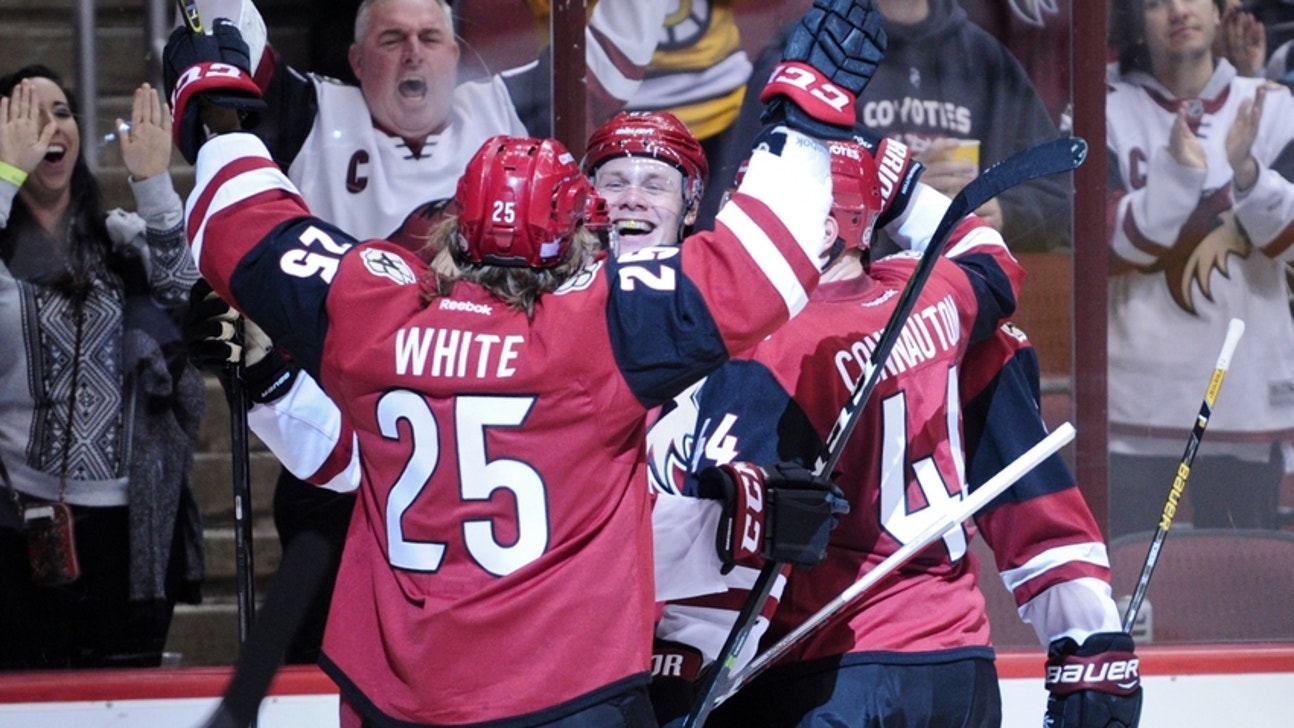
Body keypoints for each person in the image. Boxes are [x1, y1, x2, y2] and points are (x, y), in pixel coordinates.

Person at [648, 138, 1143, 727]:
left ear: (824, 230)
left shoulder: (772, 349)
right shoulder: (932, 292)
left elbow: (734, 554)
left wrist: (678, 688)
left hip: (827, 676)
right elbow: (991, 259)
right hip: (959, 670)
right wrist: (907, 196)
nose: (737, 229)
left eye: (757, 210)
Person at [0, 67, 204, 670]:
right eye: (26, 115)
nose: (49, 128)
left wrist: (154, 183)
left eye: (60, 112)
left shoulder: (119, 239)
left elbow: (192, 296)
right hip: (14, 522)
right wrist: (4, 177)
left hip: (132, 527)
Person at [1106, 0, 1294, 537]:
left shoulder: (1277, 108)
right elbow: (1102, 248)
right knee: (1128, 593)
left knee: (1235, 596)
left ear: (1220, 13)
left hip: (1248, 400)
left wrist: (1250, 174)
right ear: (1136, 20)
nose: (1175, 11)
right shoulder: (1101, 107)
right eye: (1155, 2)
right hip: (1136, 404)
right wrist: (1175, 182)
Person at [718, 0, 1071, 254]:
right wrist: (902, 200)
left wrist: (1003, 211)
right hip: (835, 315)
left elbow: (1061, 198)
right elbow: (744, 208)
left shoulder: (985, 60)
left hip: (953, 311)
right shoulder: (807, 50)